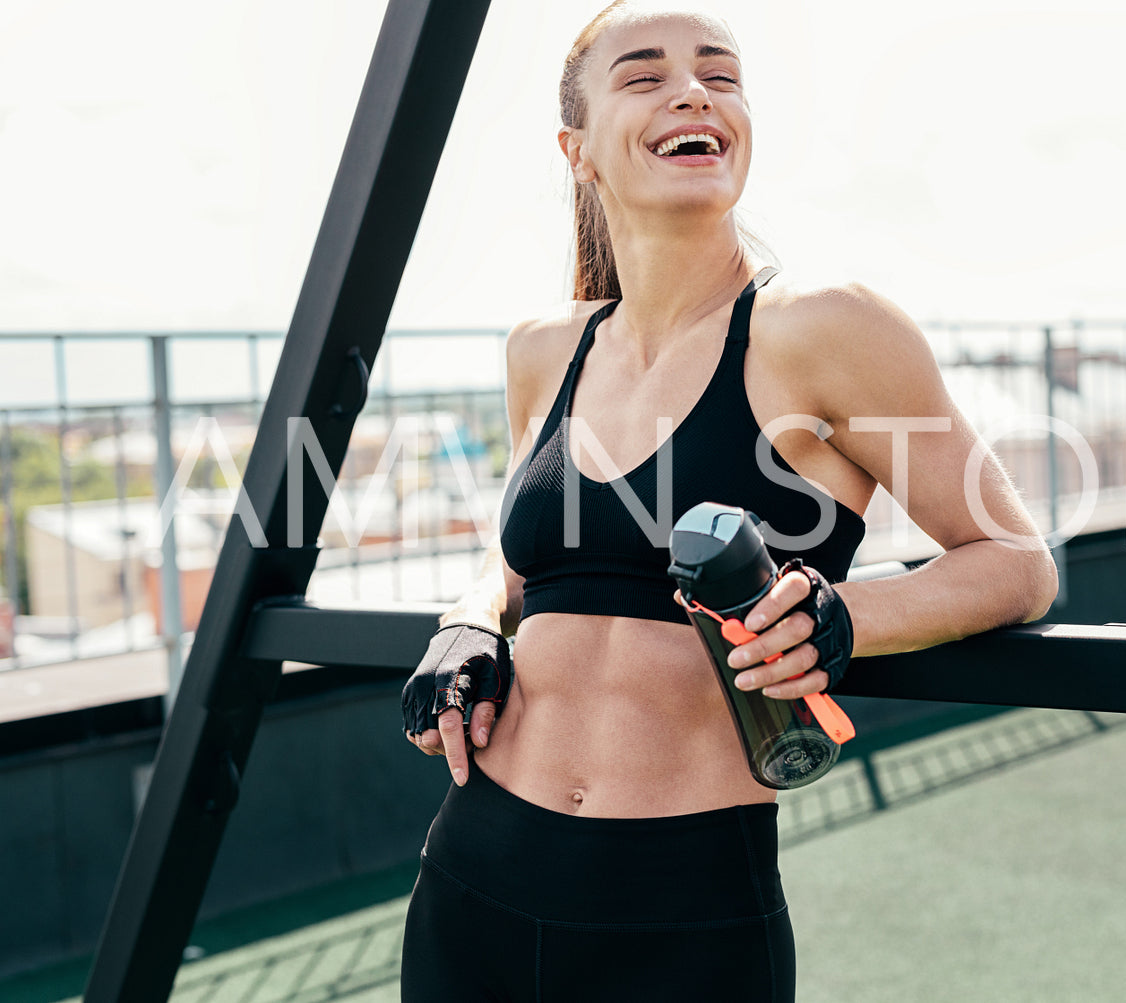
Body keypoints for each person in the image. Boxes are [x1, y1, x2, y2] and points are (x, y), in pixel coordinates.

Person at [398, 3, 1058, 999]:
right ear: (577, 150)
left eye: (719, 72)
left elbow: (1014, 562)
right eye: (644, 74)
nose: (693, 89)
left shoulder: (826, 329)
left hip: (684, 907)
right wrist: (466, 618)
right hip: (473, 871)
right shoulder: (543, 348)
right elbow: (531, 550)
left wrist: (841, 618)